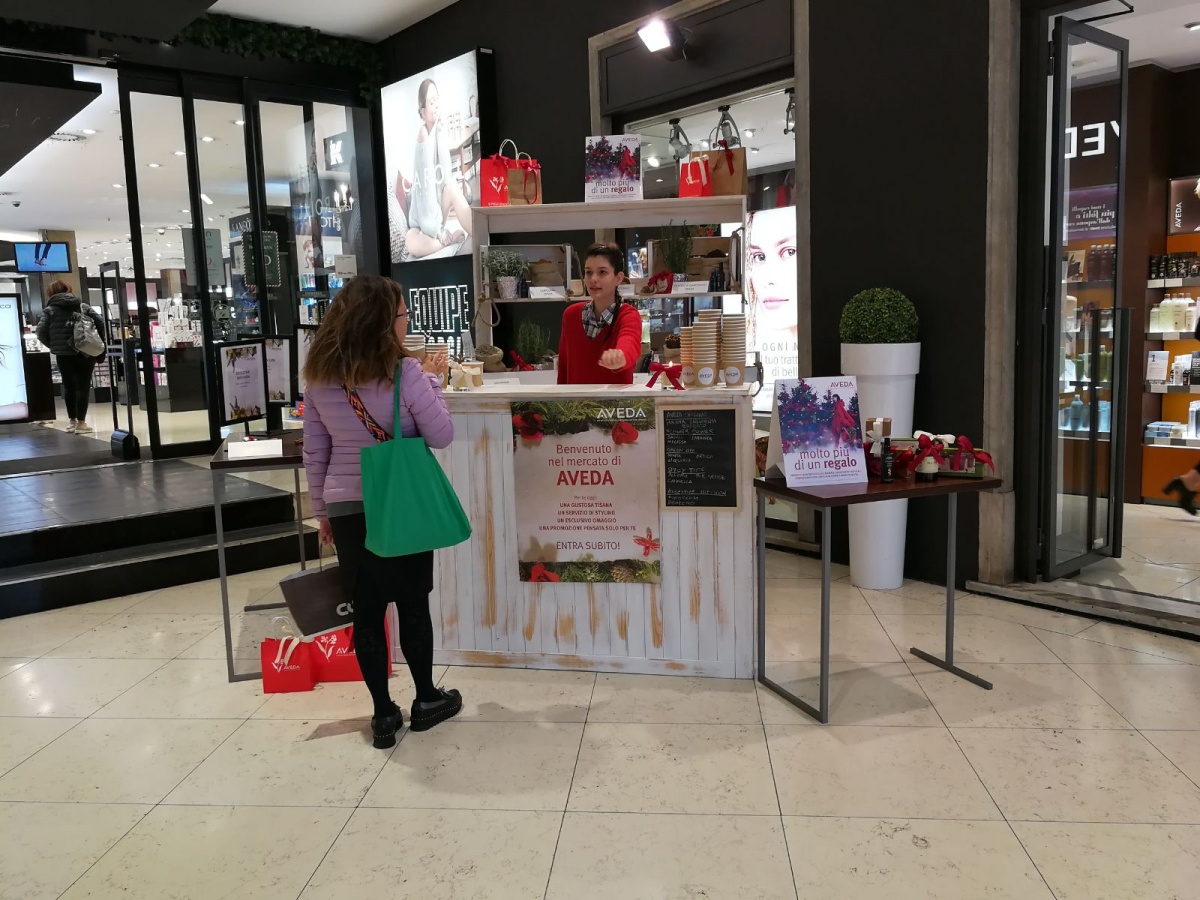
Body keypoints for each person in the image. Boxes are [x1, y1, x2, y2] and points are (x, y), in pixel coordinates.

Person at [302, 275, 461, 748]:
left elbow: (315, 451)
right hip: (402, 501)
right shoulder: (405, 374)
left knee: (367, 613)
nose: (407, 320)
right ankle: (426, 699)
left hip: (347, 505)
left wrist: (321, 512)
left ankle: (382, 715)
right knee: (413, 603)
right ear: (382, 321)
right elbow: (442, 435)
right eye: (401, 313)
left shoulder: (319, 377)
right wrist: (432, 381)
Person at [404, 78, 473, 259]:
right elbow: (425, 191)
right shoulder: (422, 135)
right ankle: (445, 242)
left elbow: (444, 175)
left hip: (435, 208)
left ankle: (481, 234)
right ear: (423, 111)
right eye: (431, 101)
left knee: (451, 186)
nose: (436, 105)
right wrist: (439, 231)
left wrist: (440, 131)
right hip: (422, 217)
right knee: (411, 241)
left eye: (437, 99)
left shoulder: (436, 130)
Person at [557, 242, 643, 385]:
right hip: (574, 406)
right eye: (588, 272)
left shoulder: (628, 315)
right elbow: (564, 368)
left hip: (615, 406)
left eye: (602, 272)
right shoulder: (571, 315)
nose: (593, 279)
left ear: (618, 278)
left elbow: (630, 343)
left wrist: (620, 356)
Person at [36, 280, 103, 434]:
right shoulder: (82, 306)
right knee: (83, 387)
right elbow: (99, 322)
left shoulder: (50, 310)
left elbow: (40, 332)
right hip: (85, 352)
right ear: (69, 289)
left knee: (69, 387)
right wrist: (99, 343)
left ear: (51, 293)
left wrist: (54, 346)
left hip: (63, 355)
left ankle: (72, 421)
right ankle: (81, 423)